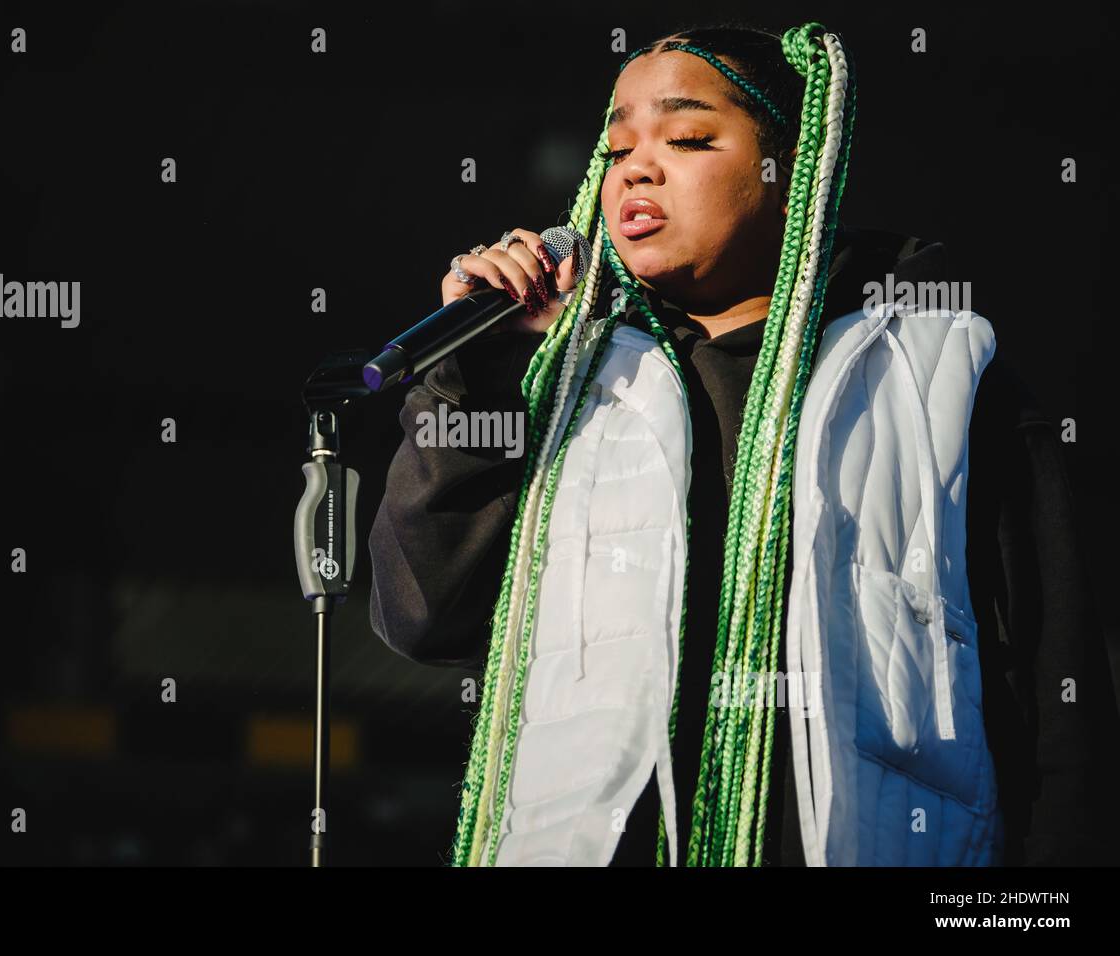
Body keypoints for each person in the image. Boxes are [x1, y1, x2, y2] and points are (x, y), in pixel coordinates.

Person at [367, 22, 1119, 866]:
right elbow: (420, 617)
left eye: (688, 137)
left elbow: (1061, 711)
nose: (637, 169)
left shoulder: (937, 380)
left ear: (792, 168)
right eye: (615, 151)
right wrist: (473, 378)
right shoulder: (555, 384)